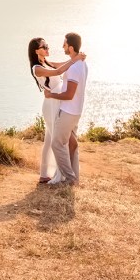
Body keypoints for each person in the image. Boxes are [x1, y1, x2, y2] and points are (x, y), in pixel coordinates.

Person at [27, 37, 86, 185]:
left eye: (47, 45)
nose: (47, 48)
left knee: (49, 140)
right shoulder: (37, 68)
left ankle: (45, 173)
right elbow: (59, 71)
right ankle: (62, 175)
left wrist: (76, 59)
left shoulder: (46, 63)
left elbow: (62, 65)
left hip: (57, 102)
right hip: (51, 104)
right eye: (44, 46)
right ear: (36, 51)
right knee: (57, 140)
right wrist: (76, 59)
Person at [44, 32, 87, 186]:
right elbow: (60, 67)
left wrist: (51, 95)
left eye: (64, 44)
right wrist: (45, 61)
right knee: (72, 143)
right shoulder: (78, 63)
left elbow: (69, 95)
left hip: (69, 112)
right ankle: (72, 175)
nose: (62, 46)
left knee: (56, 143)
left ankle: (70, 178)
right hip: (75, 112)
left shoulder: (75, 68)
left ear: (70, 47)